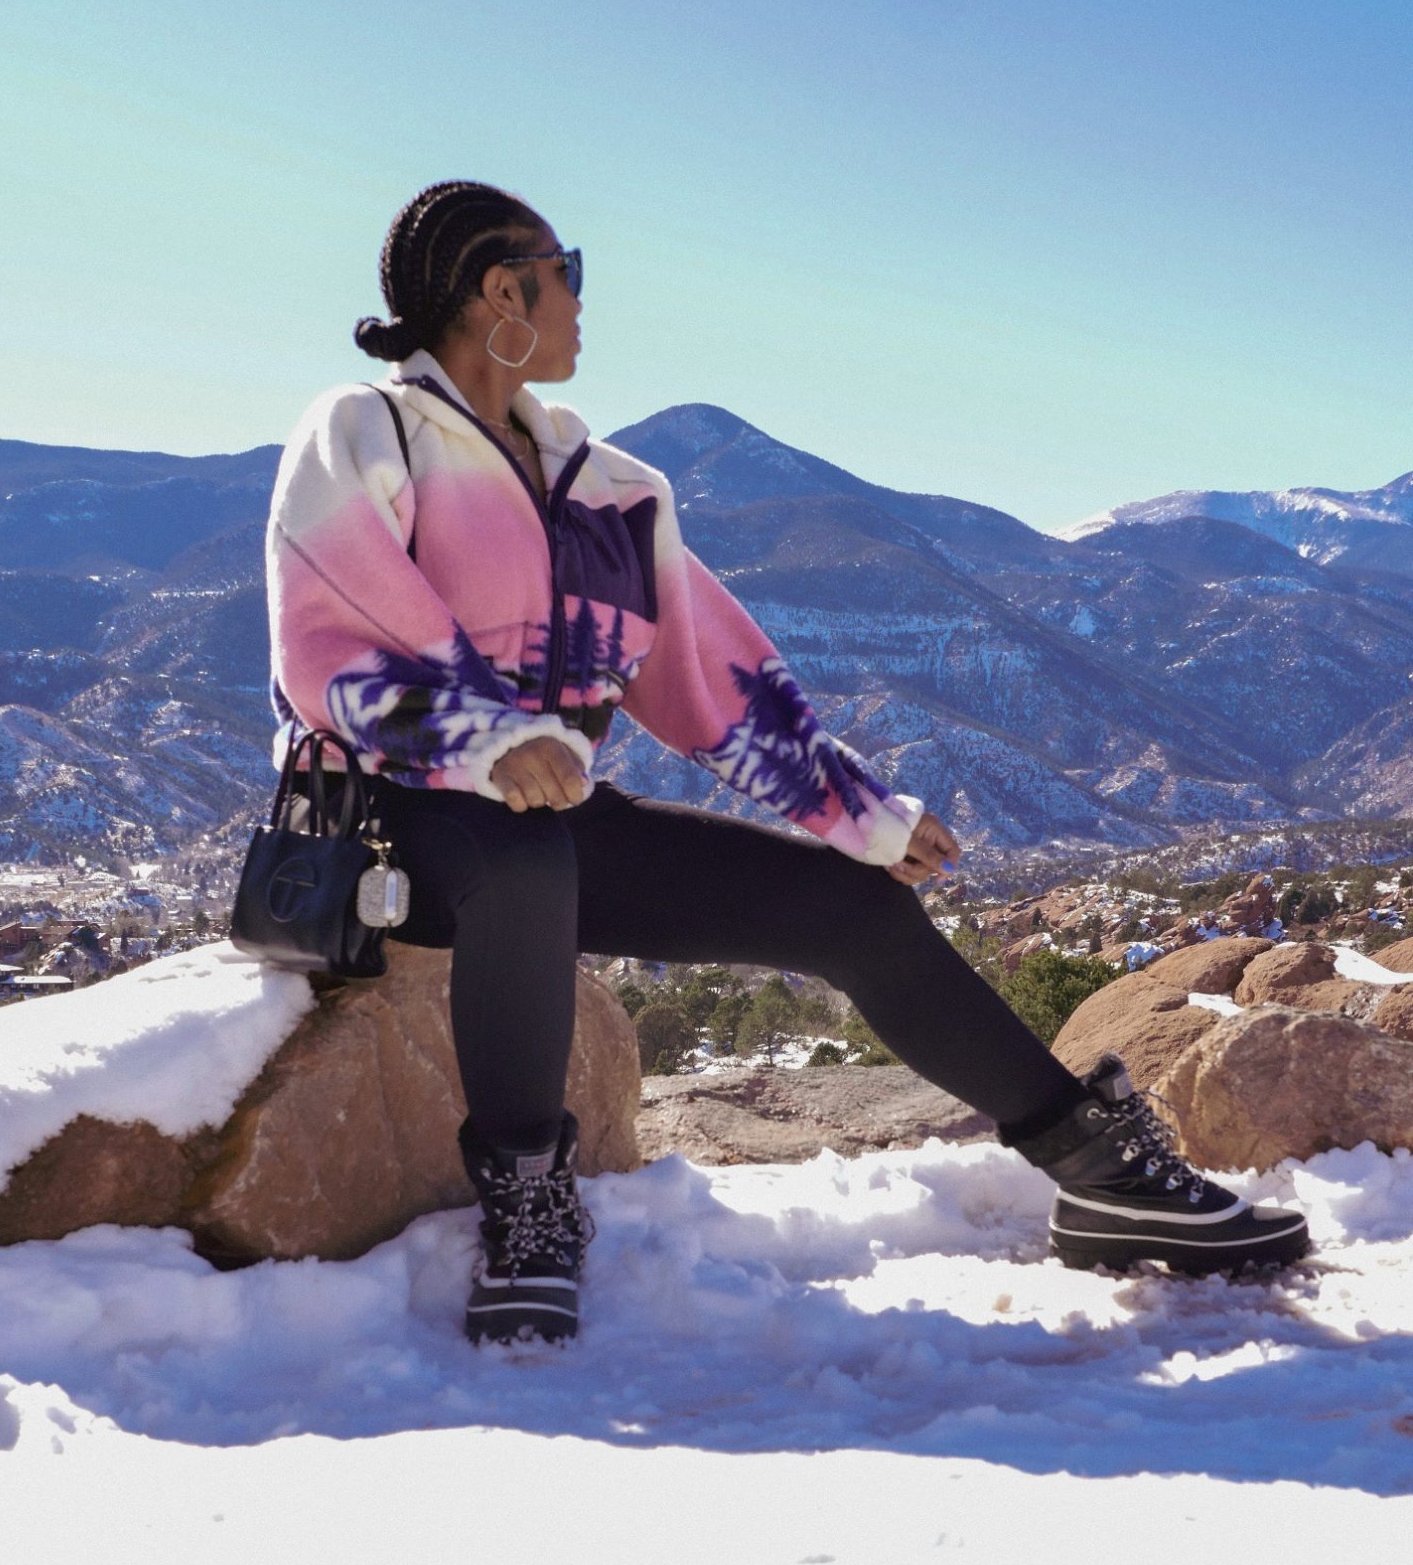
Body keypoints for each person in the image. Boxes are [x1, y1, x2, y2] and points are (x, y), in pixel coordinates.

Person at [263, 180, 1310, 1344]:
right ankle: (526, 1205)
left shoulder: (614, 490)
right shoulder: (367, 431)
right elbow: (334, 635)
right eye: (570, 272)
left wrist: (860, 814)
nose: (579, 302)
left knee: (848, 912)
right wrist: (491, 744)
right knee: (521, 863)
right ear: (501, 289)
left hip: (556, 821)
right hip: (396, 823)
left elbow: (711, 677)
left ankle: (1098, 1171)